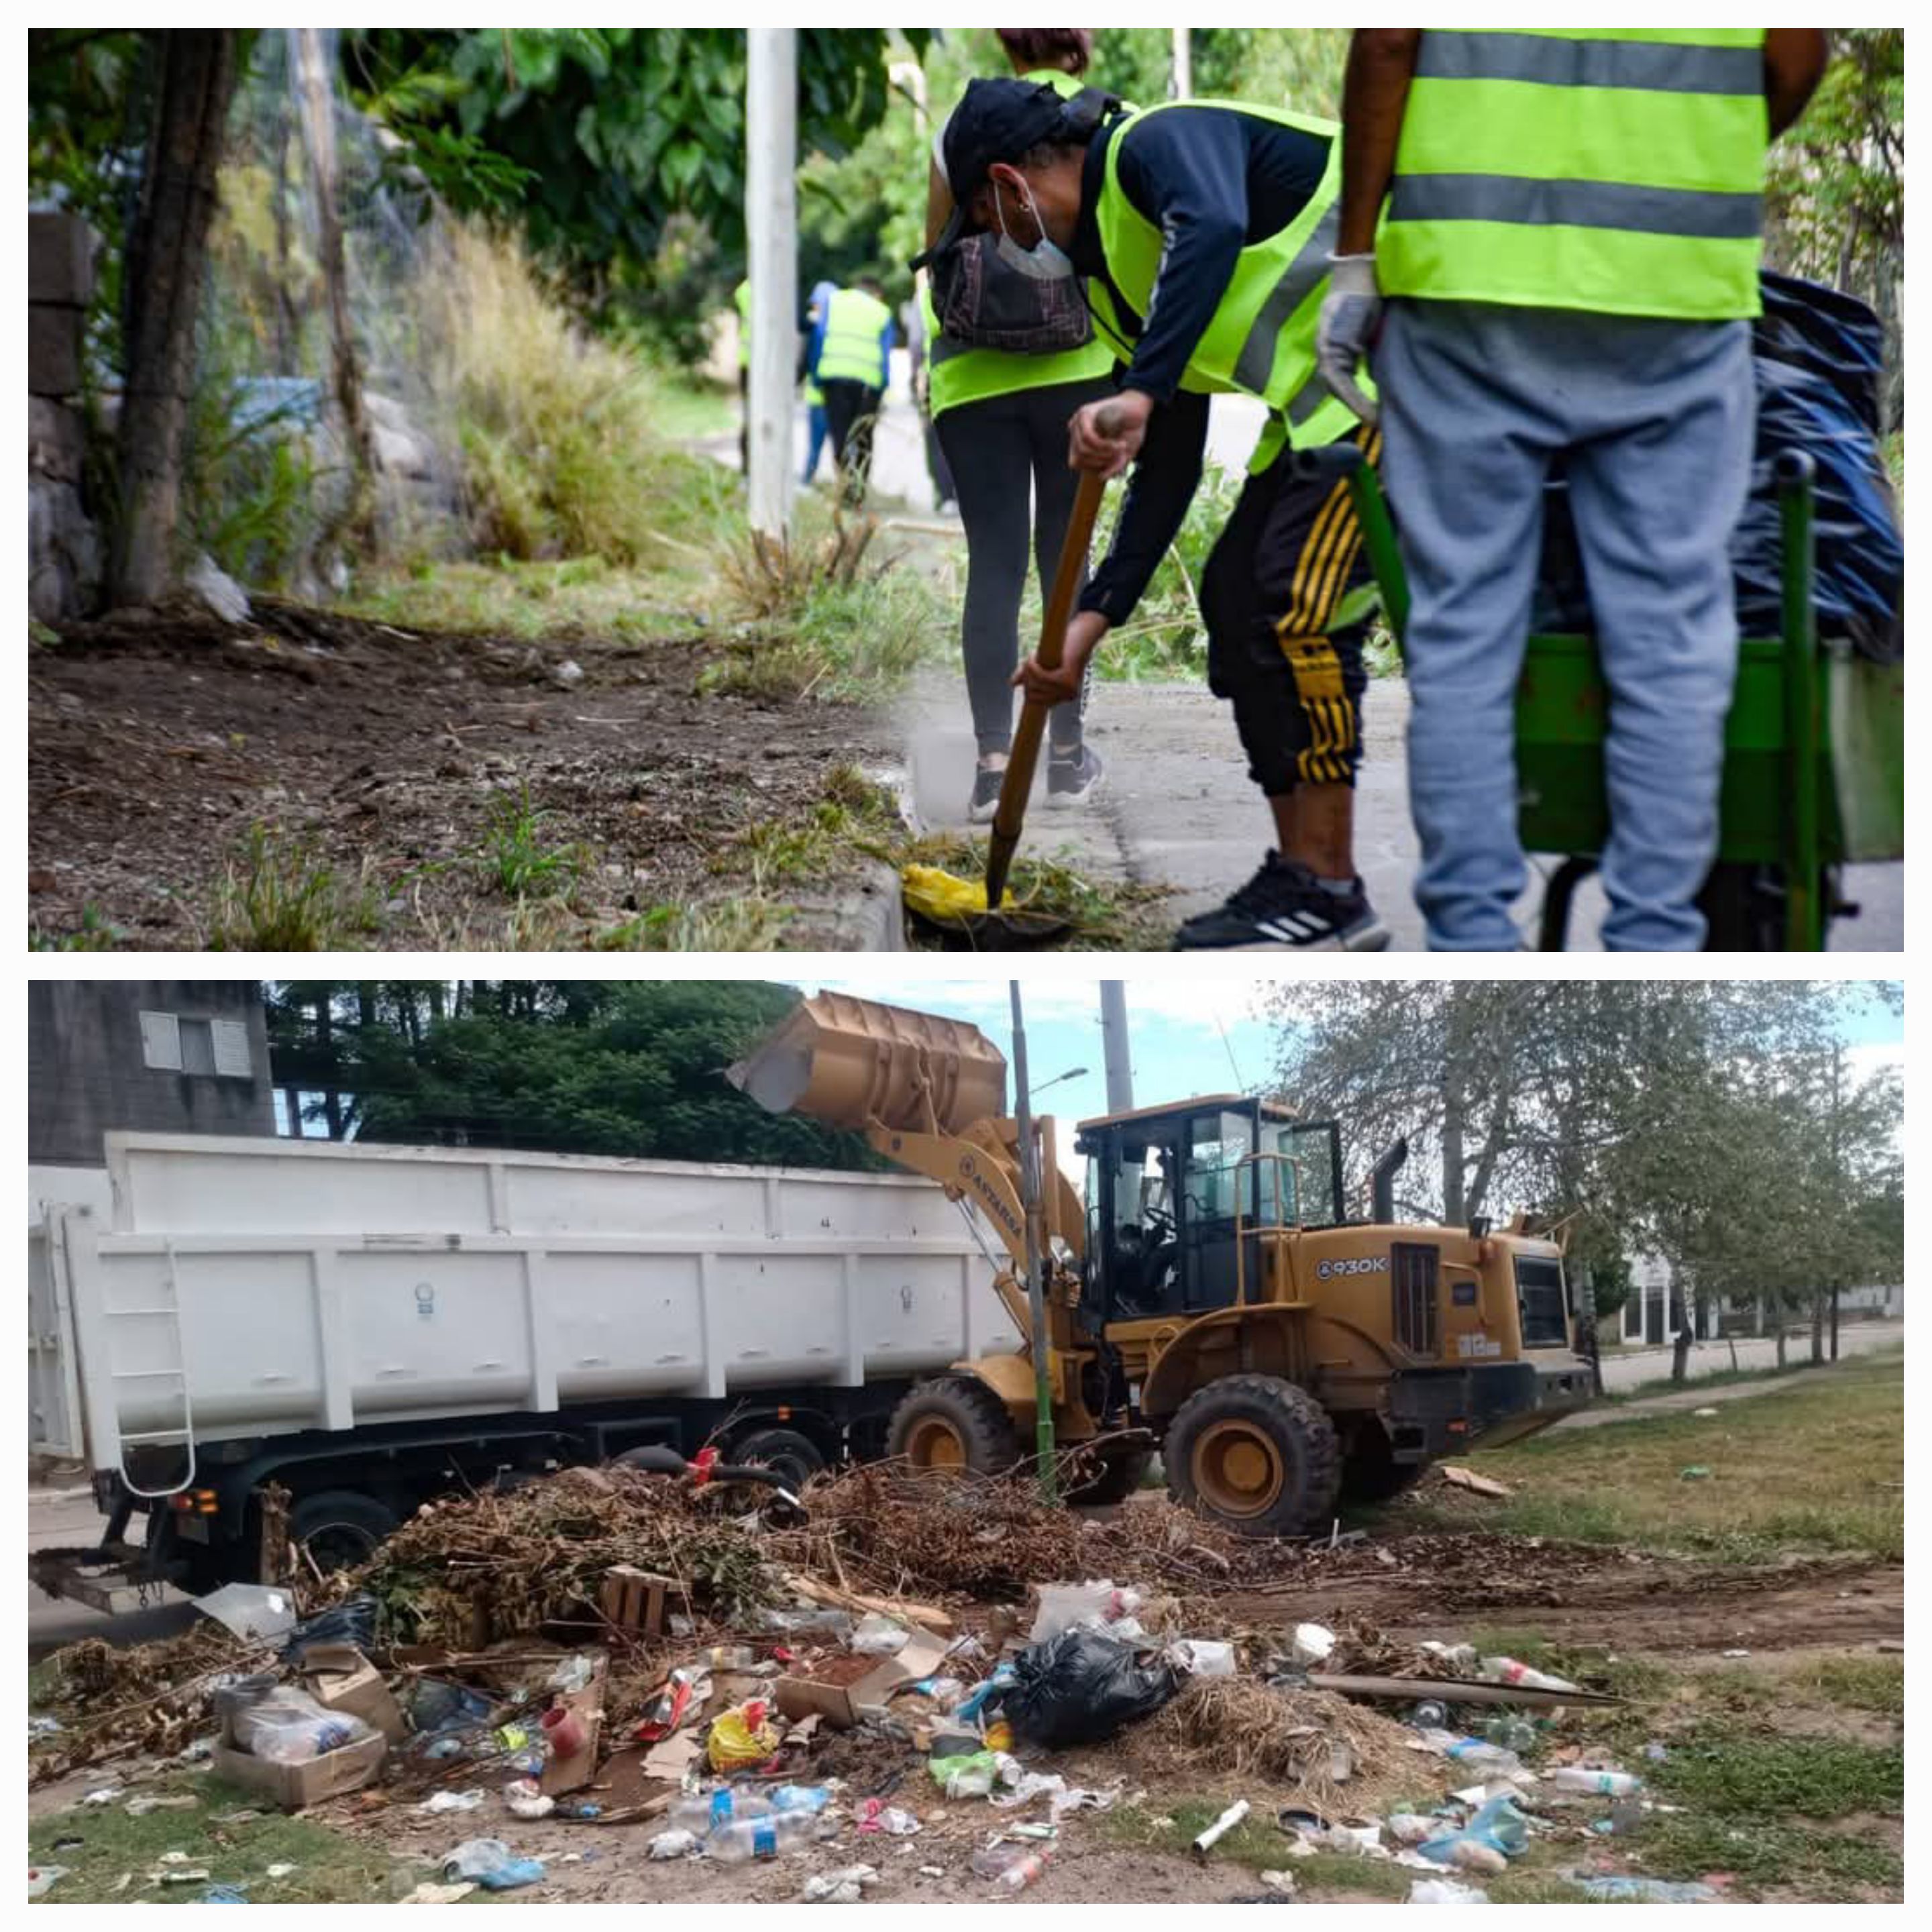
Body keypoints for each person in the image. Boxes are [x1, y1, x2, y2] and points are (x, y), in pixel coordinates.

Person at [1318, 28, 1829, 951]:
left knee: (1463, 631)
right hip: (1674, 290)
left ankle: (1471, 935)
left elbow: (1390, 38)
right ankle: (1655, 938)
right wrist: (1684, 162)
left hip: (1468, 282)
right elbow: (1794, 58)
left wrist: (1355, 258)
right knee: (1672, 635)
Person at [965, 78, 1389, 948]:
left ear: (1009, 185)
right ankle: (1298, 879)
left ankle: (1332, 885)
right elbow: (1167, 463)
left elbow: (1216, 223)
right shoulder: (1112, 291)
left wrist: (1145, 391)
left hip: (1410, 374)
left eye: (983, 219)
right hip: (1324, 410)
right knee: (1236, 604)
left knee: (1290, 608)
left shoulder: (1154, 144)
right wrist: (1089, 623)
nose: (995, 243)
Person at [920, 28, 1117, 821]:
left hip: (971, 380)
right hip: (1078, 376)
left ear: (1009, 43)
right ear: (1080, 41)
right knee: (1065, 564)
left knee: (994, 565)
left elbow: (933, 249)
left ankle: (994, 769)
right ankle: (1065, 759)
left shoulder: (960, 123)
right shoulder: (1100, 125)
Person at [808, 276, 896, 506]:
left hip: (833, 378)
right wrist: (883, 387)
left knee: (840, 436)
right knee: (863, 438)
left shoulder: (834, 302)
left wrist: (817, 375)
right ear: (876, 293)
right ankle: (857, 492)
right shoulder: (882, 311)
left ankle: (844, 486)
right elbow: (885, 356)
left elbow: (819, 338)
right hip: (867, 385)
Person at [802, 279, 837, 484]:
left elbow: (813, 360)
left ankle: (807, 481)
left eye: (816, 303)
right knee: (842, 446)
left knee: (815, 445)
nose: (814, 307)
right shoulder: (840, 328)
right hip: (836, 397)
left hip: (818, 397)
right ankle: (846, 488)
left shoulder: (818, 329)